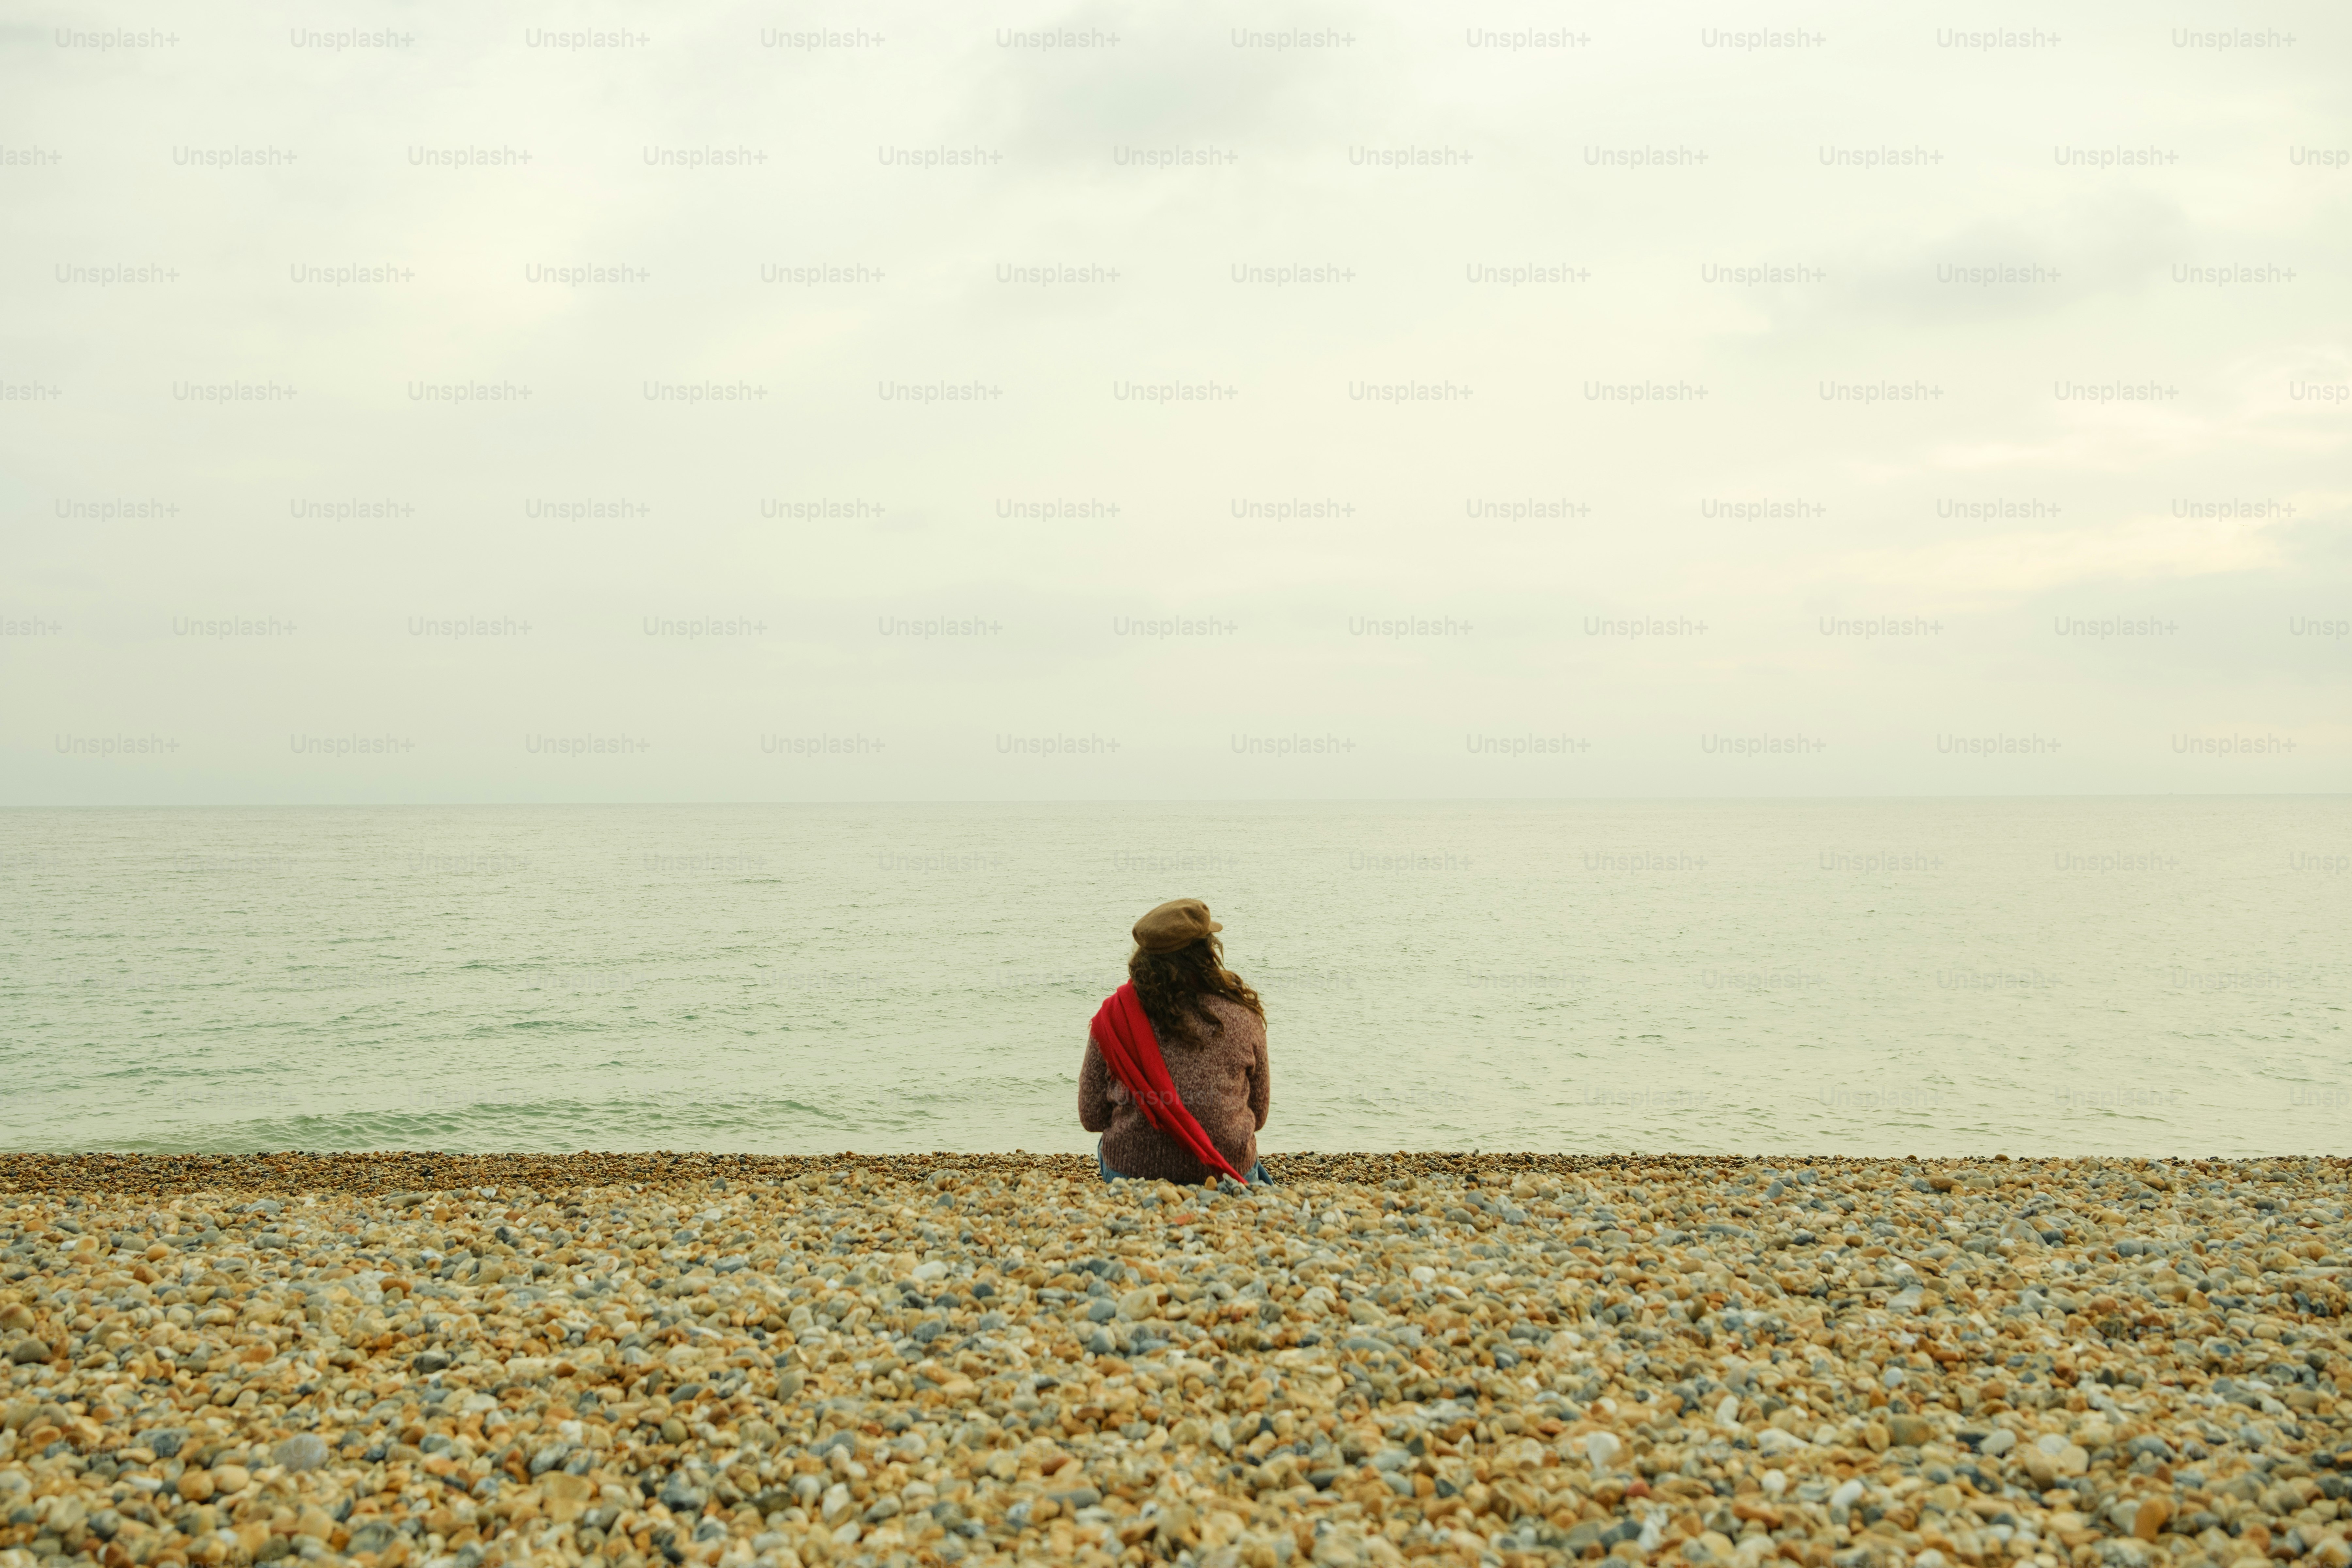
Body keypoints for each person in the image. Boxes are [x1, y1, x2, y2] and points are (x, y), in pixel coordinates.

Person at [1080, 898, 1273, 1185]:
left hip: (1132, 1172)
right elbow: (1258, 1115)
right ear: (1208, 953)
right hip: (1224, 1170)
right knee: (1258, 1177)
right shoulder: (1243, 1016)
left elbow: (1092, 1116)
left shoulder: (1114, 1017)